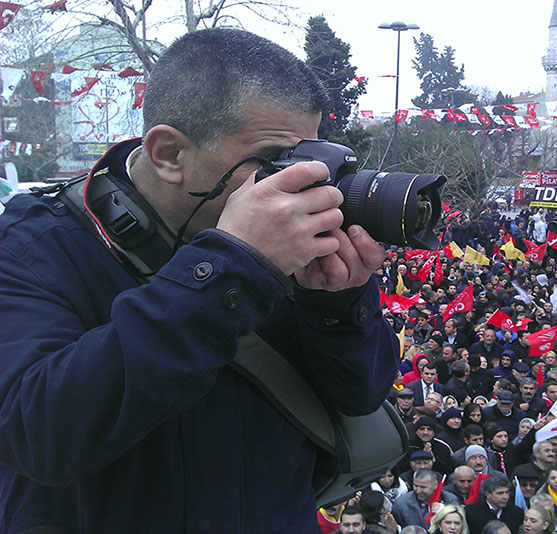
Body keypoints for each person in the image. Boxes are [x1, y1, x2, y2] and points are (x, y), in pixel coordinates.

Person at [0, 28, 399, 532]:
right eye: (274, 160)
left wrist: (337, 305)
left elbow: (360, 398)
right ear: (169, 153)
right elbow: (37, 436)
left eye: (306, 158)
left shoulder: (287, 241)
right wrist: (229, 269)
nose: (298, 184)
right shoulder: (32, 245)